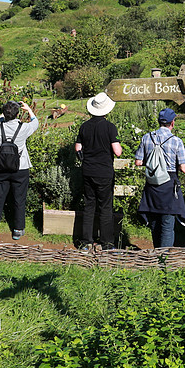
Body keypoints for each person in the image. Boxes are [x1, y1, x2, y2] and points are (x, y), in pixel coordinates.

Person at [0, 99, 40, 242]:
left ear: (4, 113)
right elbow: (36, 122)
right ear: (17, 114)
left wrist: (6, 111)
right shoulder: (24, 128)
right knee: (19, 199)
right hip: (20, 167)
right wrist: (28, 109)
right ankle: (17, 230)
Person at [135, 108, 185, 248]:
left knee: (154, 222)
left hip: (152, 183)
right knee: (167, 224)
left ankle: (156, 253)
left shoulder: (147, 137)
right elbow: (184, 169)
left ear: (159, 121)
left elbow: (138, 162)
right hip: (169, 184)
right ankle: (164, 259)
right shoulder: (176, 141)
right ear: (173, 123)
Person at [74, 92, 122, 250]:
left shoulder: (84, 126)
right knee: (105, 208)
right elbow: (117, 151)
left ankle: (86, 242)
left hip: (88, 170)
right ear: (107, 110)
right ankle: (107, 243)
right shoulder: (110, 127)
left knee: (89, 206)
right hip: (104, 172)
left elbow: (78, 148)